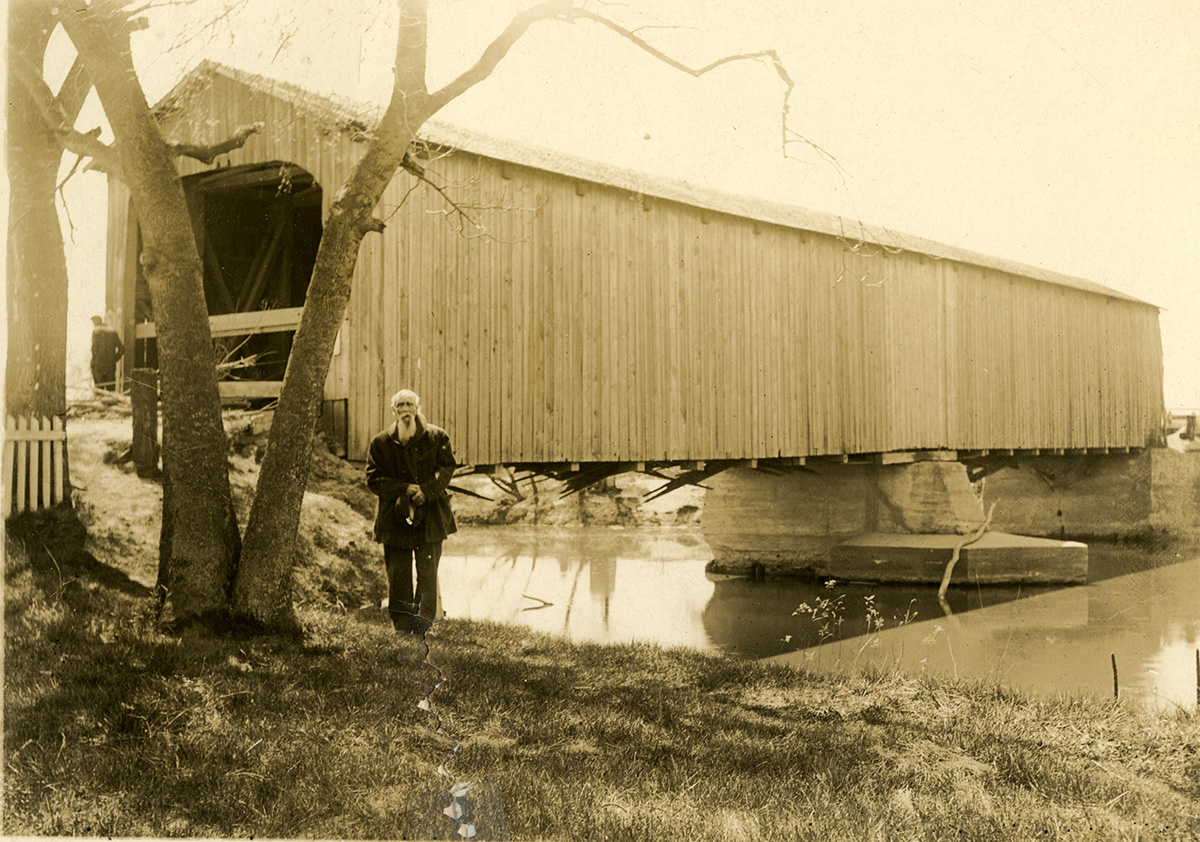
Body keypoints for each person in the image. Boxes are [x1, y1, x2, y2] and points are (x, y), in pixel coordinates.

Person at [366, 389, 457, 634]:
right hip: (395, 518)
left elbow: (447, 468)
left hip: (431, 516)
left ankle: (422, 624)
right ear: (393, 410)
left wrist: (427, 490)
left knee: (427, 573)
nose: (405, 409)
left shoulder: (437, 437)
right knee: (399, 574)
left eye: (410, 404)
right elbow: (373, 479)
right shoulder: (380, 442)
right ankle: (402, 625)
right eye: (400, 405)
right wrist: (405, 489)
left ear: (418, 408)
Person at [90, 315, 124, 391]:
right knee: (110, 390)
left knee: (99, 391)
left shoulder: (96, 331)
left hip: (98, 365)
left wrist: (94, 362)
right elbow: (121, 349)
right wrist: (114, 360)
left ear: (96, 322)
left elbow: (94, 348)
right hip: (110, 365)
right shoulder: (112, 331)